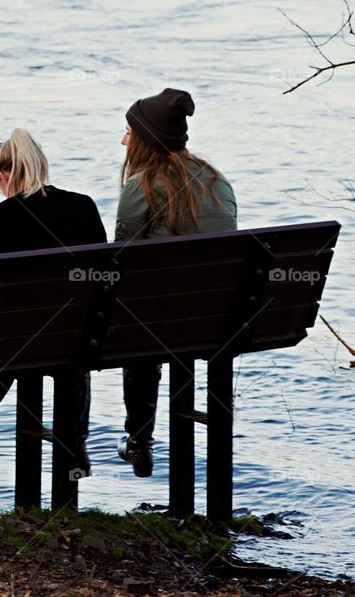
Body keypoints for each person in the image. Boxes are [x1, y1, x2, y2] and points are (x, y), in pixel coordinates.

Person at [0, 128, 106, 474]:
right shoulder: (83, 205)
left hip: (23, 341)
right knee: (65, 343)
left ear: (3, 175)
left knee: (15, 334)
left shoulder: (7, 213)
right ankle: (75, 445)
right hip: (80, 335)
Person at [115, 88, 237, 477]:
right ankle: (209, 489)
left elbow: (121, 259)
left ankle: (139, 437)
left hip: (161, 327)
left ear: (145, 140)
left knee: (137, 318)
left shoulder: (142, 185)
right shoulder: (217, 180)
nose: (123, 141)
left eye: (128, 133)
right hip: (221, 321)